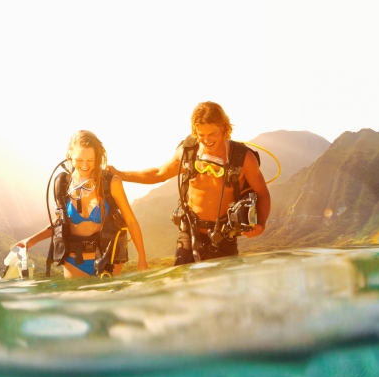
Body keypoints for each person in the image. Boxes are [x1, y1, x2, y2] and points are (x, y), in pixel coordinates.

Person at [108, 102, 270, 265]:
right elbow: (158, 174)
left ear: (223, 127)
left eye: (211, 134)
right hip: (189, 233)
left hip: (224, 237)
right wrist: (120, 174)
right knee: (183, 286)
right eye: (201, 134)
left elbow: (262, 193)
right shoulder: (188, 152)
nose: (206, 140)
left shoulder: (243, 158)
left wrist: (261, 224)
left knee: (223, 289)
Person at [18, 130, 149, 278]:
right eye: (80, 160)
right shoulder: (63, 184)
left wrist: (142, 258)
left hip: (109, 260)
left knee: (107, 300)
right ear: (69, 156)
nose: (85, 165)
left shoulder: (111, 183)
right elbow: (61, 222)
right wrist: (32, 240)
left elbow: (130, 220)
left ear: (97, 158)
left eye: (91, 160)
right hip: (74, 262)